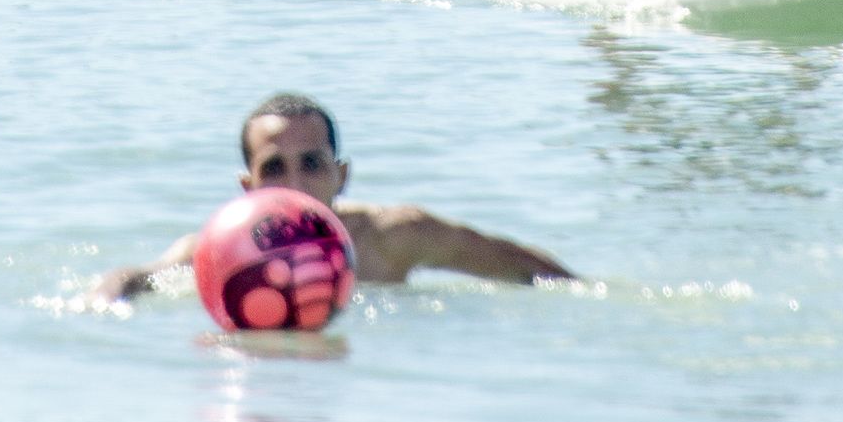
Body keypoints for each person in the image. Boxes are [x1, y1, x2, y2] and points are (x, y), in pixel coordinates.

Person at [87, 94, 570, 303]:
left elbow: (529, 271)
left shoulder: (392, 238)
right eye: (275, 167)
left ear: (342, 176)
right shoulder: (218, 251)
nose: (296, 183)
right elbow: (133, 278)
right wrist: (105, 299)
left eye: (312, 164)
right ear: (248, 188)